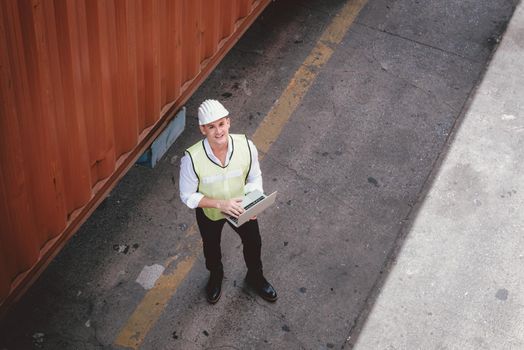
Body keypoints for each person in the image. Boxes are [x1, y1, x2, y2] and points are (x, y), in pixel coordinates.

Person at [179, 99, 277, 304]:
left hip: (241, 208)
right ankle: (216, 275)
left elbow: (254, 177)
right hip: (211, 212)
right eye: (211, 127)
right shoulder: (192, 158)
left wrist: (253, 199)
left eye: (221, 124)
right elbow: (187, 196)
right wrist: (220, 204)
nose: (218, 131)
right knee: (211, 246)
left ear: (229, 123)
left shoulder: (246, 146)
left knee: (253, 242)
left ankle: (255, 276)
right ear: (202, 129)